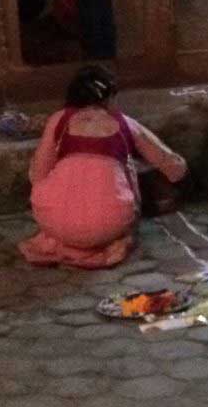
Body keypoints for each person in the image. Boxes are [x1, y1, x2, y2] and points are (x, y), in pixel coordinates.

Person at [19, 65, 187, 269]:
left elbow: (37, 175)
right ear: (110, 97)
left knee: (53, 170)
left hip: (54, 224)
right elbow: (176, 170)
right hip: (109, 226)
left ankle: (70, 236)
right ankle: (106, 238)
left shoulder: (58, 120)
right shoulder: (125, 123)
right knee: (127, 169)